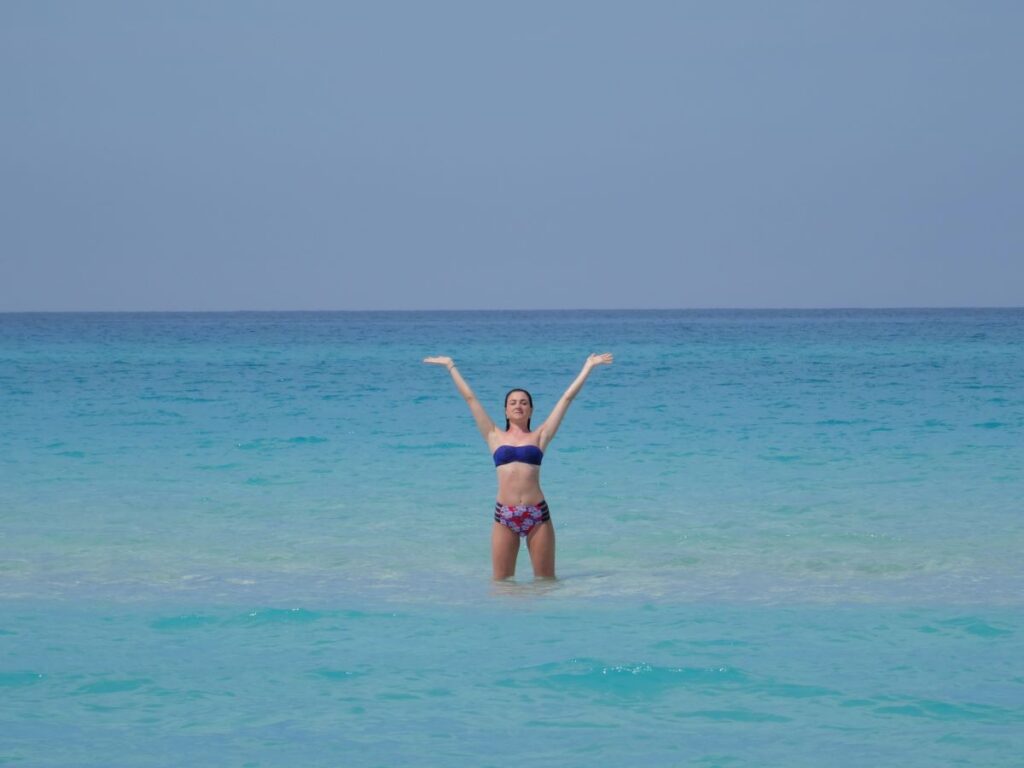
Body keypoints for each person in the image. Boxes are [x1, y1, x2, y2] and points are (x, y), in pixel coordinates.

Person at [423, 353, 613, 579]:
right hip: (504, 514)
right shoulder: (493, 435)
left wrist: (588, 367)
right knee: (502, 585)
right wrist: (450, 365)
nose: (518, 406)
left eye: (524, 403)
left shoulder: (541, 436)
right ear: (505, 410)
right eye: (513, 402)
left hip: (537, 514)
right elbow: (471, 399)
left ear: (531, 410)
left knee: (545, 582)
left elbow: (566, 399)